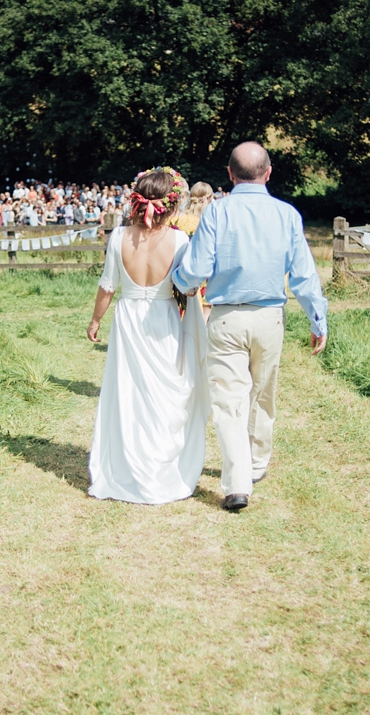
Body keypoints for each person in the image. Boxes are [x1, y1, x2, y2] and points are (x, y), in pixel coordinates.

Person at [173, 142, 329, 512]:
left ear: (230, 174)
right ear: (269, 173)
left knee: (228, 401)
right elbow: (304, 274)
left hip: (227, 316)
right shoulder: (288, 215)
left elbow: (195, 270)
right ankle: (256, 465)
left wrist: (175, 282)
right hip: (270, 318)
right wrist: (317, 318)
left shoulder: (216, 213)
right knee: (262, 394)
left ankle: (237, 483)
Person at [86, 167, 207, 504]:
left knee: (128, 391)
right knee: (164, 390)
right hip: (164, 317)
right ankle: (161, 465)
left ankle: (128, 463)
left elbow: (108, 287)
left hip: (128, 318)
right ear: (170, 205)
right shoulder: (181, 241)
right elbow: (188, 285)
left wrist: (95, 321)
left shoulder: (118, 237)